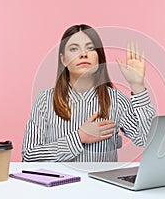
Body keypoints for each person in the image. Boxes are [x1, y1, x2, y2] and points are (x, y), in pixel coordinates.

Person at [22, 24, 156, 162]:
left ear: (99, 57)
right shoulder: (45, 100)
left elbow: (147, 139)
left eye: (90, 48)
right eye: (74, 49)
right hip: (58, 183)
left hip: (101, 184)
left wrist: (137, 86)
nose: (83, 54)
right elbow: (29, 156)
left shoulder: (116, 99)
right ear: (63, 59)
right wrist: (79, 137)